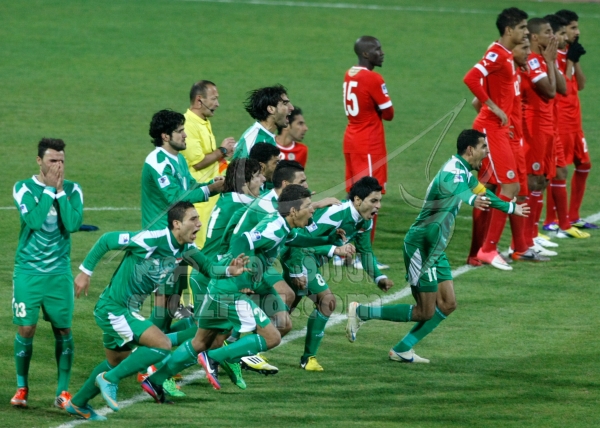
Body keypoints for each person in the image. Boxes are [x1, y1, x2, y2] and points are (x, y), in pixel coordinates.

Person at [346, 130, 529, 362]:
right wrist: (471, 199)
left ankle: (402, 349)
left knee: (448, 304)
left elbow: (483, 193)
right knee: (425, 310)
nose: (487, 152)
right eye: (484, 147)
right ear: (470, 149)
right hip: (421, 246)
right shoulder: (452, 172)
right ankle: (361, 312)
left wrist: (511, 208)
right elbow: (456, 188)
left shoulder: (463, 172)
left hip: (435, 248)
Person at [141, 185, 331, 397]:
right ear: (293, 211)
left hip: (237, 283)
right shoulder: (272, 227)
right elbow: (243, 240)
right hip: (230, 288)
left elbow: (294, 240)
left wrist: (328, 240)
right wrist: (242, 275)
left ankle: (157, 378)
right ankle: (215, 357)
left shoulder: (283, 226)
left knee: (207, 339)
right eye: (308, 206)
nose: (312, 210)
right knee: (267, 338)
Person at [64, 202, 247, 420]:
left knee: (116, 360)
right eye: (193, 219)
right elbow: (107, 240)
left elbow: (208, 268)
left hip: (127, 309)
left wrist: (230, 270)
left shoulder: (186, 249)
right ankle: (110, 379)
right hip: (114, 309)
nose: (199, 224)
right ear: (177, 224)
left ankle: (77, 403)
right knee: (162, 344)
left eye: (198, 219)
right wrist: (85, 272)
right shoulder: (152, 239)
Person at [281, 176, 394, 371]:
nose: (379, 206)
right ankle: (308, 358)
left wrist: (379, 277)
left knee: (284, 310)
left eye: (380, 201)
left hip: (308, 260)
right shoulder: (335, 214)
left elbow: (365, 251)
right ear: (357, 200)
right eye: (374, 201)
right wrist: (330, 252)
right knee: (327, 301)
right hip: (299, 257)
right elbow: (301, 241)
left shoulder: (364, 221)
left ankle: (241, 342)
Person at [11, 138, 83, 409]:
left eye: (61, 161)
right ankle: (22, 387)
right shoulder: (23, 188)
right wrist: (50, 190)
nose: (58, 166)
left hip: (59, 273)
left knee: (63, 329)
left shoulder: (73, 189)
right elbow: (33, 220)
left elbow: (73, 224)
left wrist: (60, 191)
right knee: (26, 328)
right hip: (28, 272)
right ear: (39, 161)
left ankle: (62, 391)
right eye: (53, 161)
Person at [141, 109, 224, 334]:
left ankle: (160, 346)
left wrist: (213, 186)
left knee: (173, 301)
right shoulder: (157, 161)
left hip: (178, 238)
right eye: (180, 131)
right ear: (165, 136)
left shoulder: (177, 159)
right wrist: (209, 190)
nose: (185, 135)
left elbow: (189, 187)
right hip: (160, 241)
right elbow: (175, 197)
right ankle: (144, 348)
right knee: (163, 304)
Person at [463, 7, 529, 271]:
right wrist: (493, 107)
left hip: (500, 131)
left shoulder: (506, 56)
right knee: (508, 187)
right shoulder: (498, 54)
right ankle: (487, 249)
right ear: (509, 29)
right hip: (491, 130)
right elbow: (471, 78)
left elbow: (484, 93)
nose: (526, 32)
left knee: (495, 188)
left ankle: (481, 251)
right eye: (522, 27)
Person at [522, 18, 586, 241]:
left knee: (544, 180)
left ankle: (534, 234)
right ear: (535, 37)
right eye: (548, 32)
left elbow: (562, 88)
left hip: (550, 127)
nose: (553, 37)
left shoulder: (544, 59)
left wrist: (551, 62)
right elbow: (550, 92)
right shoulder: (532, 61)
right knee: (533, 181)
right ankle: (526, 237)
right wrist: (551, 62)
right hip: (535, 129)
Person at [343, 35, 394, 242]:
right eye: (377, 50)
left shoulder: (349, 74)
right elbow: (389, 114)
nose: (382, 53)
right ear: (365, 53)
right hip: (369, 145)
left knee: (353, 196)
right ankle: (364, 251)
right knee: (371, 197)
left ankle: (345, 246)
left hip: (351, 140)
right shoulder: (373, 78)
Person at [181, 80, 236, 247]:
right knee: (199, 247)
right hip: (199, 199)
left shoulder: (202, 121)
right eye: (214, 99)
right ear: (200, 100)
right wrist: (222, 150)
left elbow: (208, 157)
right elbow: (198, 163)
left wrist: (223, 158)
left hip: (210, 196)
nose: (217, 104)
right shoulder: (189, 124)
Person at [555, 9, 596, 229]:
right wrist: (570, 61)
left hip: (575, 121)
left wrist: (575, 59)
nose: (577, 32)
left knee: (584, 164)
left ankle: (573, 215)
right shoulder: (553, 56)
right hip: (561, 121)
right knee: (558, 171)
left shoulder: (569, 53)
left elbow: (579, 84)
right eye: (572, 28)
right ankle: (554, 220)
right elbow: (562, 87)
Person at [232, 85, 294, 159]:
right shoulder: (254, 140)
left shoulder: (267, 136)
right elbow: (240, 166)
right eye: (285, 103)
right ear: (271, 109)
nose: (292, 108)